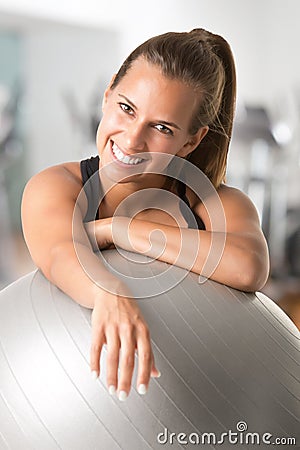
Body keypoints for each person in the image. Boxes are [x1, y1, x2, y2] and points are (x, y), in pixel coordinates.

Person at [21, 28, 270, 401]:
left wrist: (121, 229)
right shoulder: (56, 186)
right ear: (108, 95)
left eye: (161, 128)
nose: (133, 140)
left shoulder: (222, 205)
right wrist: (107, 291)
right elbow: (60, 251)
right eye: (126, 108)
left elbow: (249, 266)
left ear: (192, 140)